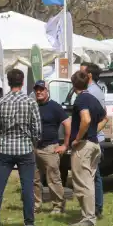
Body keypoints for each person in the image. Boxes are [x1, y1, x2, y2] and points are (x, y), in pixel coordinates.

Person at [0, 68, 41, 226]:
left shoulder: (0, 102)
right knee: (27, 187)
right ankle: (29, 224)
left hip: (5, 149)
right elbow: (37, 129)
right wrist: (32, 143)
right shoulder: (30, 102)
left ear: (9, 82)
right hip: (25, 149)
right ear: (23, 82)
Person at [68, 70, 105, 226]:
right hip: (95, 144)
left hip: (84, 146)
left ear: (73, 84)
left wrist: (78, 138)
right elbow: (105, 118)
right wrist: (93, 132)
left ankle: (88, 217)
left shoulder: (81, 99)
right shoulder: (93, 99)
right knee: (89, 180)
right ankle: (89, 214)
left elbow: (86, 119)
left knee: (83, 182)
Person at [31, 80, 70, 215]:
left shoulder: (55, 107)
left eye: (41, 89)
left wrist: (65, 145)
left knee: (53, 179)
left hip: (50, 148)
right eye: (37, 89)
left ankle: (58, 206)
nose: (39, 92)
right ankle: (36, 206)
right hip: (33, 147)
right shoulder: (33, 106)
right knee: (33, 179)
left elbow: (67, 124)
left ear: (47, 91)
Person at [81, 63, 107, 219]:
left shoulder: (92, 92)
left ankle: (96, 208)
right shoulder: (93, 90)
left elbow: (100, 117)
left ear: (89, 75)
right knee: (93, 174)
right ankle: (94, 207)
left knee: (94, 175)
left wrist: (89, 133)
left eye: (81, 72)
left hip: (93, 138)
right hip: (94, 137)